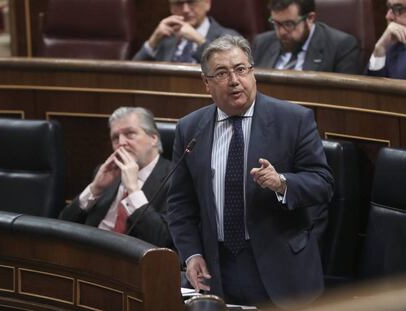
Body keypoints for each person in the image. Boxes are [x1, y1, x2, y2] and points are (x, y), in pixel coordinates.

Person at [167, 35, 334, 309]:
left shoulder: (293, 120)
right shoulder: (190, 128)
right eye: (222, 73)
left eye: (241, 69)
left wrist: (281, 183)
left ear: (253, 73)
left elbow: (323, 184)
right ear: (206, 83)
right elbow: (180, 204)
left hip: (282, 268)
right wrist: (192, 254)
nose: (234, 80)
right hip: (218, 269)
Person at [59, 107, 173, 248]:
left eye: (130, 134)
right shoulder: (107, 174)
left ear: (153, 138)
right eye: (115, 138)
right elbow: (63, 225)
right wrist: (95, 188)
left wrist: (134, 191)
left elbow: (164, 241)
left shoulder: (175, 179)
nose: (121, 142)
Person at [252, 0, 360, 74]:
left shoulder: (341, 47)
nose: (281, 32)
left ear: (310, 18)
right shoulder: (262, 43)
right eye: (276, 23)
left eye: (289, 24)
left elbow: (343, 100)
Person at [132, 0, 238, 63]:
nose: (186, 10)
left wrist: (199, 40)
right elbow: (131, 75)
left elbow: (229, 70)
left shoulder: (229, 37)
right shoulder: (165, 38)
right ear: (171, 8)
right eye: (179, 3)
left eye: (192, 1)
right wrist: (153, 40)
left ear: (207, 3)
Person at [366, 0, 406, 79]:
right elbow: (369, 87)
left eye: (398, 9)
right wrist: (379, 49)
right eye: (389, 8)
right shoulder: (392, 47)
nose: (388, 16)